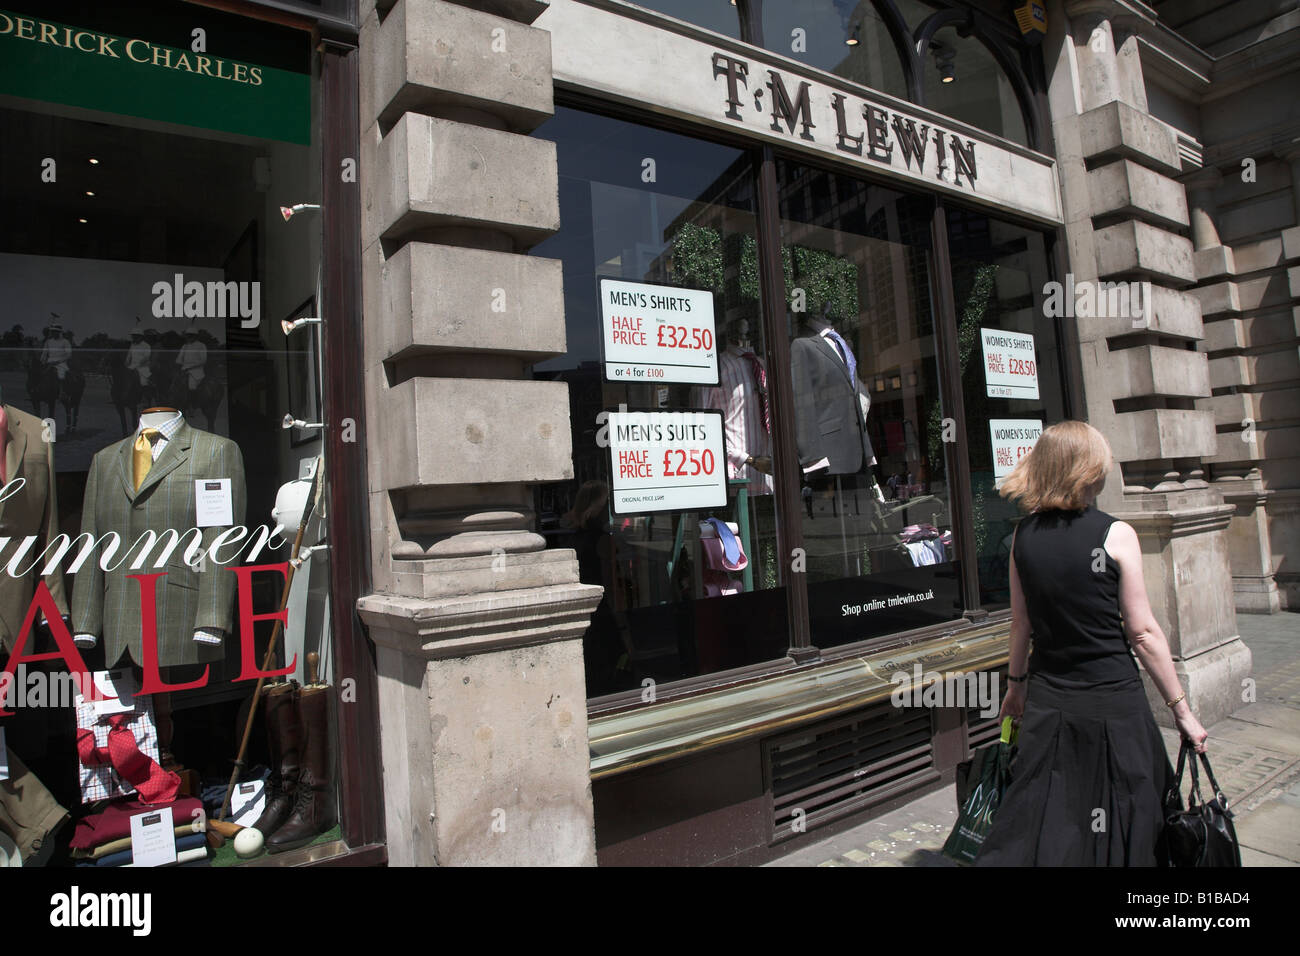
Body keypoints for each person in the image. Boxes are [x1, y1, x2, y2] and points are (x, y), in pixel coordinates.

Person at [973, 420, 1208, 867]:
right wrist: (1182, 711)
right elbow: (1141, 632)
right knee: (1125, 822)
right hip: (1113, 704)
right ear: (1089, 468)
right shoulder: (1115, 534)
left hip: (1049, 704)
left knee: (1052, 820)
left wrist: (1015, 688)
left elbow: (1020, 624)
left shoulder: (1023, 536)